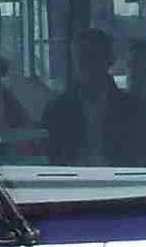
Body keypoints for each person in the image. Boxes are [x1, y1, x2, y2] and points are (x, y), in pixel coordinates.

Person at [45, 27, 137, 166]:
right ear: (74, 62)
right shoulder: (56, 110)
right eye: (81, 59)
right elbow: (52, 158)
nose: (87, 65)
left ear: (109, 60)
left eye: (93, 57)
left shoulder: (131, 109)